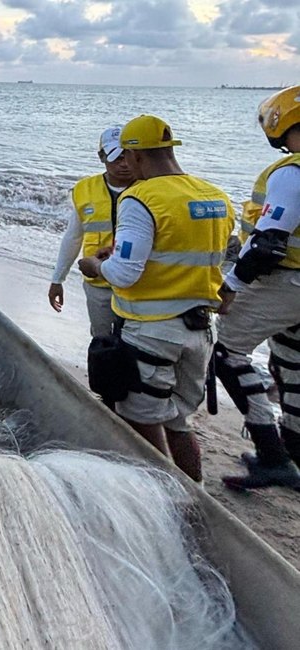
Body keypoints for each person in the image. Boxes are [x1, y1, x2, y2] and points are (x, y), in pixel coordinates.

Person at [78, 114, 233, 482]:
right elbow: (222, 257)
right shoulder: (216, 195)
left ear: (135, 157)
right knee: (180, 421)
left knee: (140, 419)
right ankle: (195, 492)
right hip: (200, 334)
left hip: (152, 332)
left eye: (127, 159)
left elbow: (123, 273)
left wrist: (94, 267)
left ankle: (165, 495)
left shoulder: (140, 198)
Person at [214, 86, 300, 489]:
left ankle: (272, 453)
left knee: (228, 353)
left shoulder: (290, 172)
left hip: (285, 281)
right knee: (292, 362)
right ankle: (295, 453)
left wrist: (231, 283)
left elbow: (268, 242)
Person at [49, 126, 135, 338]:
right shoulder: (85, 189)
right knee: (102, 340)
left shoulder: (149, 189)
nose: (123, 164)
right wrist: (58, 279)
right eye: (116, 157)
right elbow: (73, 237)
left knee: (136, 344)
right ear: (101, 157)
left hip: (137, 286)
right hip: (98, 285)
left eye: (127, 156)